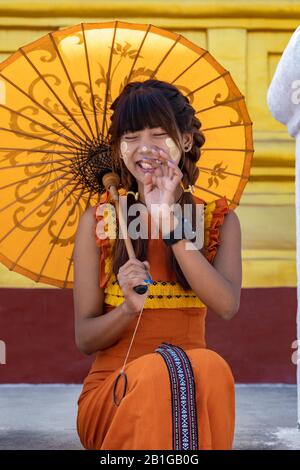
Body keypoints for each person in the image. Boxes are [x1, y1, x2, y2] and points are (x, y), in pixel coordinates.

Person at [73, 79, 242, 450]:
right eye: (131, 136)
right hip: (115, 394)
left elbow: (226, 305)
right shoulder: (101, 220)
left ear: (184, 141)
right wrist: (127, 310)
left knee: (211, 367)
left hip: (190, 390)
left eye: (158, 133)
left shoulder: (216, 219)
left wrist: (169, 224)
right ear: (119, 147)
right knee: (156, 373)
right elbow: (85, 338)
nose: (144, 148)